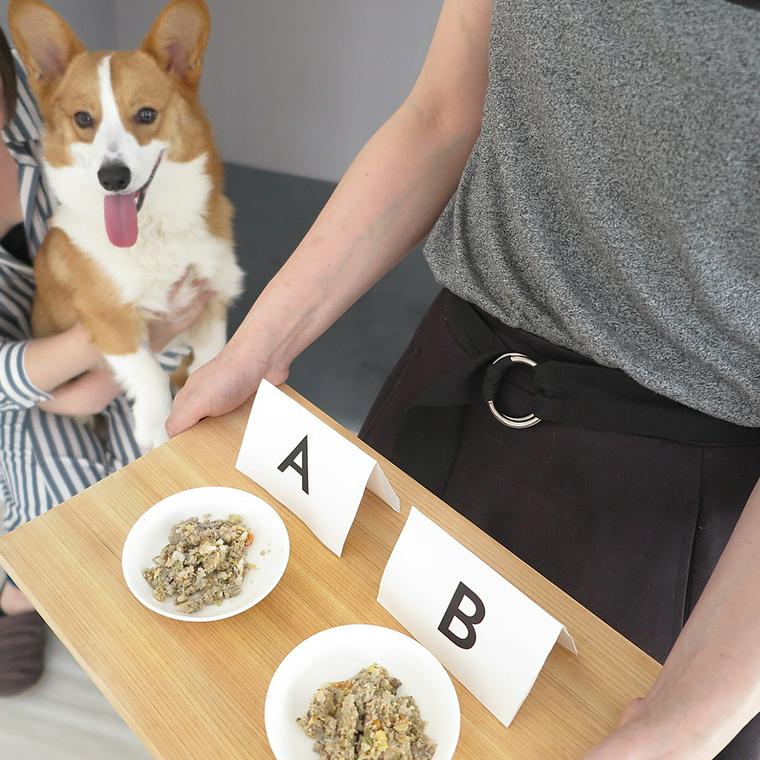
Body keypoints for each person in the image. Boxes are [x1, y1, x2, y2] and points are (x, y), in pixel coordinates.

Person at [167, 1, 760, 757]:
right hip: (454, 379)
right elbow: (442, 113)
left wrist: (684, 721)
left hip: (678, 494)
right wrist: (257, 348)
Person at [0, 30, 214, 697]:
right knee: (60, 495)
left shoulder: (53, 138)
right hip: (25, 384)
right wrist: (105, 353)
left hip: (104, 340)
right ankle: (15, 594)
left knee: (166, 474)